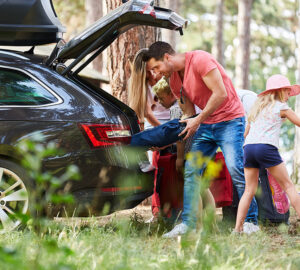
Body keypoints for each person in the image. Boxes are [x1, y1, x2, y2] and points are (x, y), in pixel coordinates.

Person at [142, 41, 258, 237]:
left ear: (167, 58)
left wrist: (197, 120)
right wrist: (165, 139)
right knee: (191, 171)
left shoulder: (200, 60)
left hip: (230, 121)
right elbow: (187, 113)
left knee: (236, 169)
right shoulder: (173, 81)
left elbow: (220, 94)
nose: (156, 74)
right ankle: (188, 224)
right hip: (206, 124)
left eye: (156, 67)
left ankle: (251, 222)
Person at [234, 74, 300, 233]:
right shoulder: (281, 107)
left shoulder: (256, 109)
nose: (289, 95)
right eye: (287, 91)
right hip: (266, 148)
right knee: (289, 185)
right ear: (280, 91)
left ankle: (237, 229)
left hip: (248, 148)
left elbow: (245, 134)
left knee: (249, 190)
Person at [151, 76, 216, 224]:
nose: (160, 102)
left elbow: (179, 137)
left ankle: (196, 223)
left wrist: (180, 158)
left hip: (188, 153)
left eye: (161, 98)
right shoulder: (193, 105)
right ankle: (212, 224)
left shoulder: (176, 110)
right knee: (204, 189)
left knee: (193, 188)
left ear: (170, 94)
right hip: (203, 150)